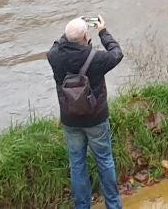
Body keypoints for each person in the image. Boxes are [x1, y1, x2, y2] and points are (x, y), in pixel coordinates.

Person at [49, 16, 126, 209]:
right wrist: (102, 32)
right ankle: (113, 205)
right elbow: (117, 53)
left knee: (77, 164)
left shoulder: (54, 57)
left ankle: (82, 206)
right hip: (96, 119)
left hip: (70, 120)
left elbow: (58, 44)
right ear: (86, 35)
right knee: (105, 161)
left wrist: (72, 31)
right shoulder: (96, 59)